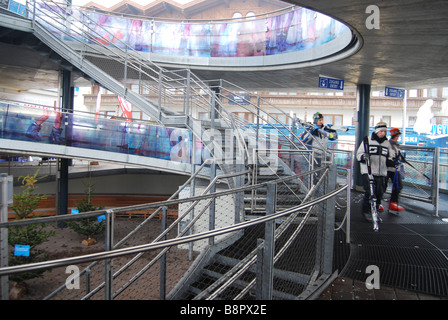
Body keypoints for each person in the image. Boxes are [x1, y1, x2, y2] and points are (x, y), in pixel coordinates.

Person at [356, 121, 395, 222]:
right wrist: (363, 157)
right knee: (370, 192)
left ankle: (375, 212)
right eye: (381, 131)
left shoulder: (387, 143)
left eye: (384, 131)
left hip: (382, 172)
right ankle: (366, 211)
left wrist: (391, 161)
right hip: (369, 171)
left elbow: (391, 155)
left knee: (379, 193)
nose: (383, 133)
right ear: (377, 131)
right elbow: (359, 153)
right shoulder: (367, 140)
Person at [387, 128, 405, 213]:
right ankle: (378, 203)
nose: (398, 138)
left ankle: (393, 202)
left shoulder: (396, 145)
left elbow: (398, 156)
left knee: (398, 186)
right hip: (387, 168)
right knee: (382, 186)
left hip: (394, 168)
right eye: (397, 136)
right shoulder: (388, 144)